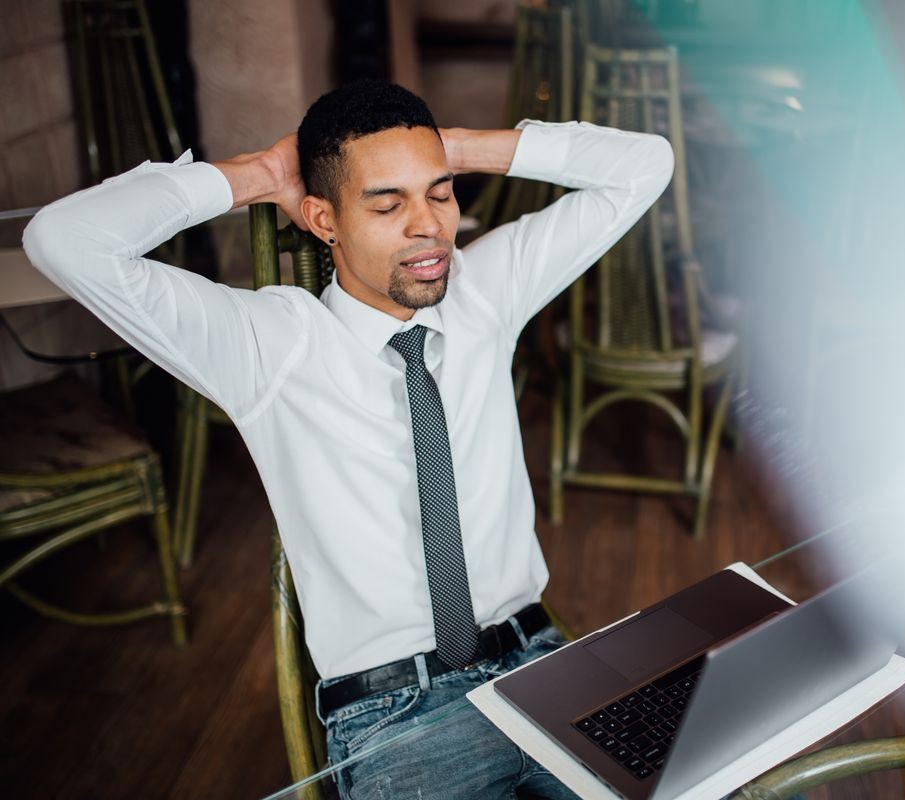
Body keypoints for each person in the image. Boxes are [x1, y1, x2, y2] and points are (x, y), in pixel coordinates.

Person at [23, 80, 673, 799]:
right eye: (387, 204)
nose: (428, 226)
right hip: (400, 715)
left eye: (441, 194)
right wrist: (261, 175)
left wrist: (448, 146)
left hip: (544, 666)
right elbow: (63, 241)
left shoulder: (485, 289)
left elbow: (645, 165)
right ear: (322, 220)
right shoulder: (267, 345)